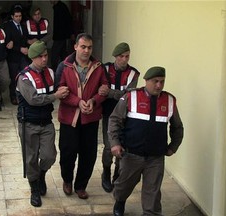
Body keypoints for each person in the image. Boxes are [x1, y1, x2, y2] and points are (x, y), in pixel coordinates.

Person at [108, 66, 184, 216]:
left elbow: (177, 127)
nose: (159, 85)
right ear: (146, 81)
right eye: (155, 81)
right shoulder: (131, 97)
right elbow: (114, 120)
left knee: (153, 193)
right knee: (124, 185)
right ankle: (120, 201)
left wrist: (173, 146)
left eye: (162, 82)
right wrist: (115, 143)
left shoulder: (169, 100)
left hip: (155, 157)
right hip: (131, 155)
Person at [16, 41, 69, 207]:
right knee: (30, 158)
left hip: (46, 122)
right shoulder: (24, 77)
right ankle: (34, 189)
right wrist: (55, 96)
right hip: (28, 123)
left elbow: (60, 87)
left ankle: (41, 175)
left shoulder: (51, 73)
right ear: (33, 57)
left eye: (46, 55)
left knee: (49, 156)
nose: (44, 59)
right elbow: (33, 99)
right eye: (41, 56)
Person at [56, 33, 109, 199]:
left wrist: (94, 100)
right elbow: (59, 91)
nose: (86, 50)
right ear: (75, 47)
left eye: (89, 47)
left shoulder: (99, 67)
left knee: (88, 154)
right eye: (83, 47)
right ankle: (67, 180)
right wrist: (78, 102)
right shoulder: (64, 66)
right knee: (67, 152)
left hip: (90, 119)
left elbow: (104, 89)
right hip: (69, 118)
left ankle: (81, 185)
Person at [99, 42, 140, 193]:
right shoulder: (105, 68)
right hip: (108, 113)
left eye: (127, 56)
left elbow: (129, 96)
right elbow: (100, 89)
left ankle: (117, 174)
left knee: (121, 145)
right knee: (109, 146)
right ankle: (106, 171)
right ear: (115, 57)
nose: (124, 59)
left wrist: (110, 92)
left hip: (125, 115)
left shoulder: (133, 74)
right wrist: (114, 93)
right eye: (121, 56)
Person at [4, 6, 29, 105]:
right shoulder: (8, 27)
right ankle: (13, 96)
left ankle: (24, 95)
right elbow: (8, 44)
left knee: (25, 76)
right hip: (13, 57)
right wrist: (19, 48)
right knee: (13, 77)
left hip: (23, 56)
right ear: (12, 16)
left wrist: (26, 48)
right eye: (16, 16)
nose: (18, 18)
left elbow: (25, 39)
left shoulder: (23, 26)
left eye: (20, 16)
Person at [50, 0, 74, 72]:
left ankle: (55, 70)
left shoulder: (61, 7)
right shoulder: (58, 7)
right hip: (61, 35)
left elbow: (68, 21)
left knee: (54, 54)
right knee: (62, 53)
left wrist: (71, 33)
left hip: (60, 36)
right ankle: (66, 70)